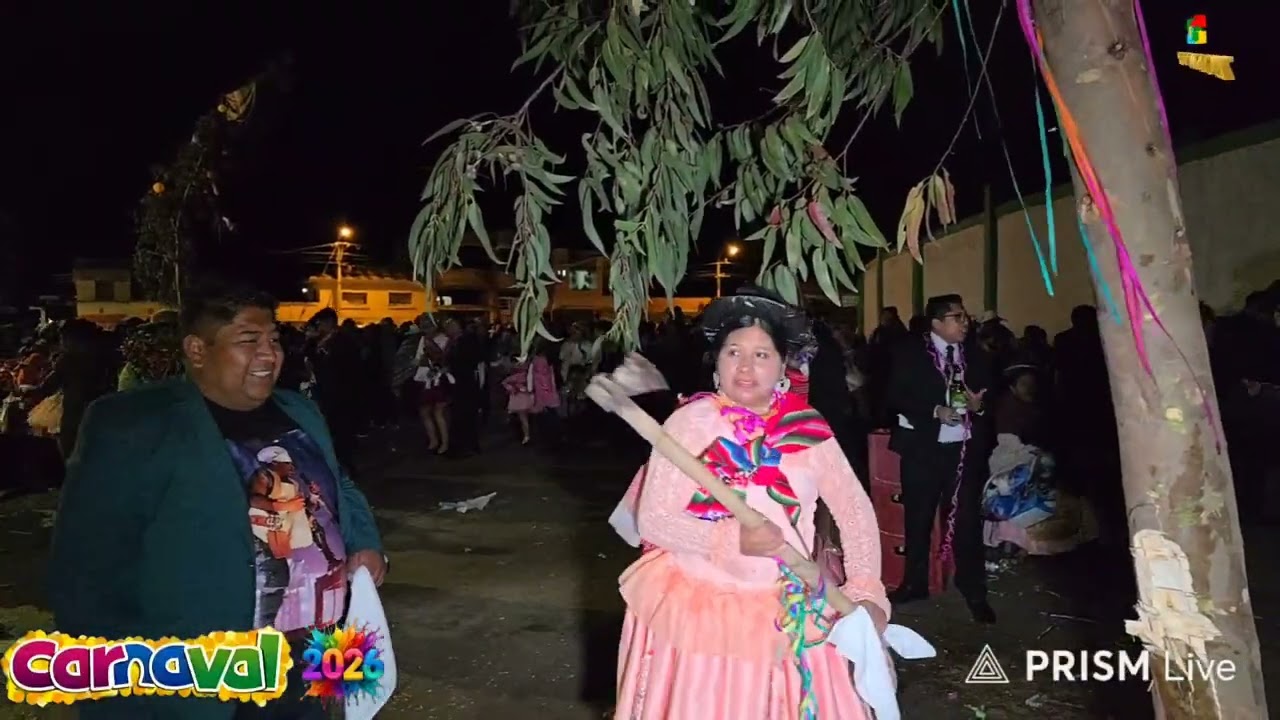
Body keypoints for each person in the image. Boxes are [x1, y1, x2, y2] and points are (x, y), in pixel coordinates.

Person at [48, 279, 387, 720]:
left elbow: (338, 485)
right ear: (197, 350)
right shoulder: (134, 425)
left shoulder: (299, 410)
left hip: (315, 658)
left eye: (273, 339)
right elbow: (85, 571)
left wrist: (365, 542)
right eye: (249, 341)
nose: (270, 354)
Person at [609, 286, 888, 720]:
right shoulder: (690, 424)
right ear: (717, 364)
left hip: (797, 602)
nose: (745, 366)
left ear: (782, 365)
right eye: (733, 352)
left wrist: (867, 591)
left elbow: (853, 509)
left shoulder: (808, 427)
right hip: (705, 615)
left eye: (761, 355)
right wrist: (730, 538)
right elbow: (655, 520)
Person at [885, 293, 996, 623]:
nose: (965, 323)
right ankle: (914, 583)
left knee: (966, 520)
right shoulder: (910, 353)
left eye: (965, 317)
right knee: (918, 519)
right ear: (936, 323)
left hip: (963, 450)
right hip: (923, 449)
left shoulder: (974, 353)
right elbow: (894, 396)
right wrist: (934, 410)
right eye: (956, 317)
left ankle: (973, 590)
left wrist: (979, 406)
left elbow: (989, 391)